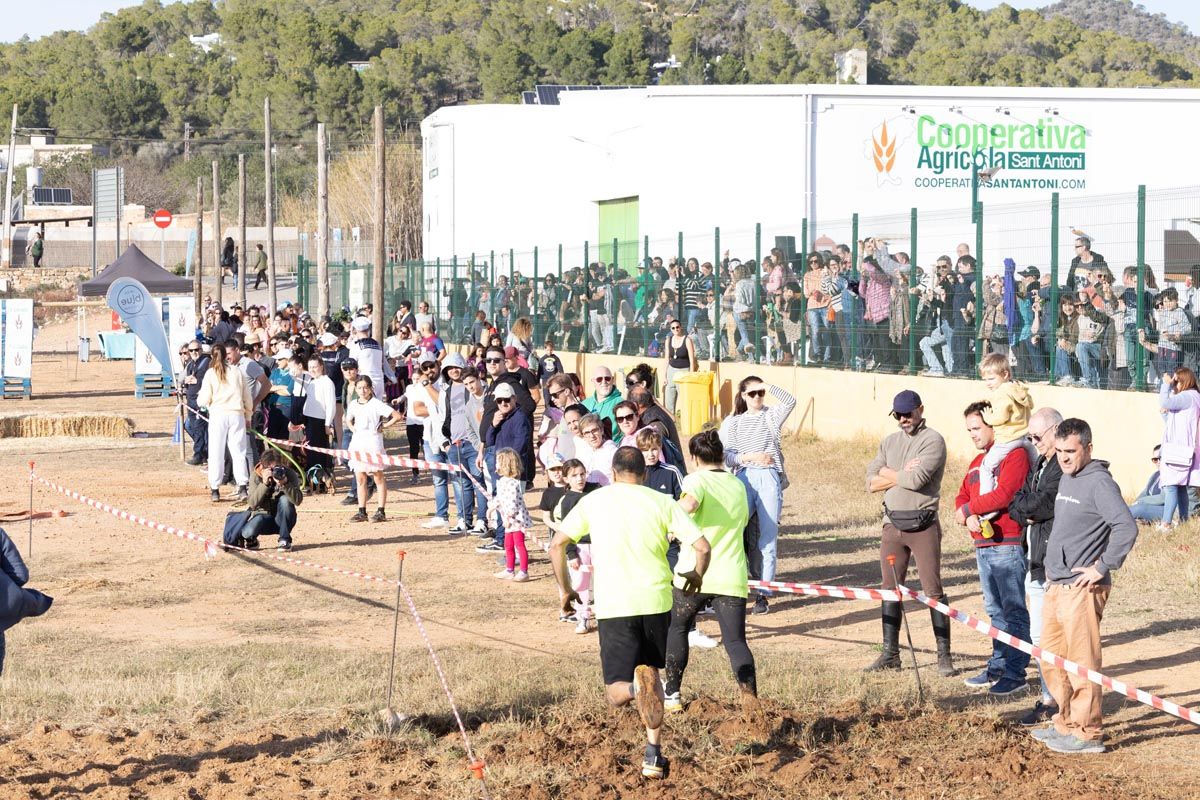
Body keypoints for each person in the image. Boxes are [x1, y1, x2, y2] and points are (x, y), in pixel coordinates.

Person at [549, 447, 710, 781]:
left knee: (618, 691)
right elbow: (702, 547)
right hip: (655, 601)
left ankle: (638, 692)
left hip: (615, 605)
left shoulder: (595, 500)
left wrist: (566, 591)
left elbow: (556, 545)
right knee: (648, 671)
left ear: (612, 471)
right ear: (645, 473)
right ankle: (653, 754)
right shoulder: (662, 501)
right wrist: (696, 575)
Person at [1032, 418, 1138, 754]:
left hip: (1081, 589)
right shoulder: (1066, 477)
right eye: (1059, 450)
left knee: (1081, 664)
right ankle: (1065, 722)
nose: (1063, 458)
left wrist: (1102, 566)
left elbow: (1126, 527)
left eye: (1070, 451)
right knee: (1051, 659)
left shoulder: (1099, 483)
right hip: (1057, 585)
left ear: (1088, 449)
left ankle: (1088, 732)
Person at [662, 429, 756, 714]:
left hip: (694, 573)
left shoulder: (696, 479)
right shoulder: (738, 484)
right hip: (731, 574)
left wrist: (667, 524)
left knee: (678, 628)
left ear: (693, 458)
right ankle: (751, 702)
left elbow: (687, 505)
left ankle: (673, 695)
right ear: (720, 455)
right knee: (736, 642)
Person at [864, 390, 952, 676]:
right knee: (889, 591)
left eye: (908, 414)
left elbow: (916, 481)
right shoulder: (889, 442)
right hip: (892, 526)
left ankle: (943, 656)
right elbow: (870, 482)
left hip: (923, 526)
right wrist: (899, 472)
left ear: (920, 410)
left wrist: (890, 474)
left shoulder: (933, 440)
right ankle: (890, 654)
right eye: (898, 415)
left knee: (933, 591)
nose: (904, 419)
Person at [955, 401, 1031, 697]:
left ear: (994, 425)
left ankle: (1016, 672)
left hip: (1008, 543)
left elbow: (1005, 494)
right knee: (994, 610)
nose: (972, 435)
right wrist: (966, 511)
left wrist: (970, 508)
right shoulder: (978, 462)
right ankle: (998, 665)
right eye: (969, 430)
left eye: (976, 428)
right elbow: (962, 493)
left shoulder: (1015, 455)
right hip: (984, 544)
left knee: (1013, 611)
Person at [719, 377, 796, 615]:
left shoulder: (770, 416)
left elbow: (790, 401)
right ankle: (732, 587)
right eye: (752, 393)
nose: (757, 397)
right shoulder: (733, 422)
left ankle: (764, 594)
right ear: (743, 395)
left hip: (769, 477)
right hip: (744, 476)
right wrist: (751, 457)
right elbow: (728, 456)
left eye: (760, 392)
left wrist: (768, 383)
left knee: (768, 536)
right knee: (734, 532)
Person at [1006, 407, 1064, 726]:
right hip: (1034, 560)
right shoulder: (1040, 462)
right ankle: (1050, 696)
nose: (1033, 442)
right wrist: (1027, 510)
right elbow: (1017, 501)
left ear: (1055, 430)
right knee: (1038, 636)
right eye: (1029, 436)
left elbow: (1042, 504)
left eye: (1037, 436)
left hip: (1050, 565)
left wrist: (1029, 508)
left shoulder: (1061, 466)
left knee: (1046, 638)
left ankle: (1052, 699)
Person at [977, 353, 1035, 538]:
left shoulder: (1001, 393)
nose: (988, 383)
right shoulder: (1019, 389)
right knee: (1035, 469)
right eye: (985, 379)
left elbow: (1000, 417)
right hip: (1025, 437)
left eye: (991, 378)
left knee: (986, 467)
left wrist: (988, 417)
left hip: (1007, 439)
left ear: (1005, 374)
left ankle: (986, 506)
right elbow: (1030, 405)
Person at [197, 343, 253, 503]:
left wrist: (205, 403)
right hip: (236, 414)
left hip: (218, 414)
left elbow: (202, 399)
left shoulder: (210, 373)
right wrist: (248, 416)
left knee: (216, 452)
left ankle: (215, 489)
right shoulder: (236, 371)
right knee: (239, 451)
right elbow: (247, 396)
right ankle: (242, 486)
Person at [437, 355, 487, 534]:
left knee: (478, 482)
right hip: (454, 444)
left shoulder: (478, 387)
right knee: (460, 483)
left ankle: (482, 520)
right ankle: (464, 520)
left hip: (473, 444)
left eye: (455, 367)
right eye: (448, 369)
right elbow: (442, 416)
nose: (453, 371)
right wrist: (445, 442)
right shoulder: (446, 391)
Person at [346, 375, 405, 523]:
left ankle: (381, 510)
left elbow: (396, 415)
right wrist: (353, 428)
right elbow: (348, 418)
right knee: (360, 477)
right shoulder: (353, 403)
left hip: (373, 442)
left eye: (365, 387)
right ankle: (362, 510)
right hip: (358, 442)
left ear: (371, 388)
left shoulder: (376, 404)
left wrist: (384, 426)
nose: (362, 390)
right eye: (359, 387)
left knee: (377, 476)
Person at [223, 451, 302, 551]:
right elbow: (252, 503)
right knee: (248, 532)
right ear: (263, 467)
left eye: (276, 468)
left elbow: (298, 500)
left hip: (283, 518)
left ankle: (284, 540)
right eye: (270, 469)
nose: (274, 472)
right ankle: (251, 539)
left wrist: (285, 484)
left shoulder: (289, 474)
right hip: (263, 518)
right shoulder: (256, 476)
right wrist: (264, 484)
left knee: (285, 500)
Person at [1155, 367, 1200, 530]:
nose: (1174, 385)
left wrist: (1166, 385)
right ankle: (1183, 521)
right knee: (1180, 486)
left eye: (1176, 381)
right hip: (1184, 449)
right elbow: (1179, 424)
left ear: (1183, 381)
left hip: (1178, 450)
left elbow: (1165, 402)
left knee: (1172, 485)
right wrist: (1165, 415)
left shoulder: (1187, 396)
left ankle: (1166, 524)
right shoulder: (1194, 397)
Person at [289, 356, 337, 483]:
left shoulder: (327, 382)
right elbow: (297, 374)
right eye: (310, 367)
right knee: (310, 452)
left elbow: (331, 405)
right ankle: (314, 479)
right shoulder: (312, 381)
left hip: (319, 421)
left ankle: (321, 481)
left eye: (315, 367)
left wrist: (327, 424)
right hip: (309, 420)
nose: (312, 370)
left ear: (321, 366)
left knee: (318, 453)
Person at [492, 448, 533, 582]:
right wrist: (491, 508)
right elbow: (500, 497)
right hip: (507, 520)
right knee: (508, 545)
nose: (496, 464)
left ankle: (523, 571)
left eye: (498, 462)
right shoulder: (503, 481)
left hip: (516, 520)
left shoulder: (512, 483)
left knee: (519, 544)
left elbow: (513, 503)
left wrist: (509, 518)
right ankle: (509, 569)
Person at [182, 340, 210, 466]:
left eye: (197, 350)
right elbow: (184, 380)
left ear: (201, 349)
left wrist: (197, 381)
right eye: (191, 350)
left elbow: (210, 379)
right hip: (190, 400)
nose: (194, 352)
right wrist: (184, 383)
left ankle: (198, 454)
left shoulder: (207, 362)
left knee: (200, 428)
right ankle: (204, 451)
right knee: (191, 426)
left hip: (200, 401)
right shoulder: (190, 364)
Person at [663, 318, 697, 415]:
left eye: (677, 327)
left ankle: (687, 419)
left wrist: (691, 374)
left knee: (684, 397)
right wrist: (665, 375)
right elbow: (666, 358)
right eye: (673, 328)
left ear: (681, 327)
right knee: (670, 396)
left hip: (684, 371)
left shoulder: (687, 340)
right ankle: (670, 420)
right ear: (670, 329)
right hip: (671, 370)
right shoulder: (668, 340)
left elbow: (692, 359)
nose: (675, 329)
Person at [1128, 445, 1164, 522]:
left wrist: (1141, 501)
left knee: (1137, 510)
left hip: (1165, 509)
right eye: (1155, 459)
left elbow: (1163, 498)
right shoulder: (1155, 475)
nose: (1158, 462)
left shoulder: (1171, 476)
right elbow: (1145, 492)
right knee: (1129, 509)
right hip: (1150, 507)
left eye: (1160, 458)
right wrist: (1135, 502)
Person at [583, 365, 623, 433]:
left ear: (613, 380)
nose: (604, 382)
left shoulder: (622, 403)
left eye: (607, 378)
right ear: (593, 381)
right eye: (599, 379)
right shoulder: (585, 404)